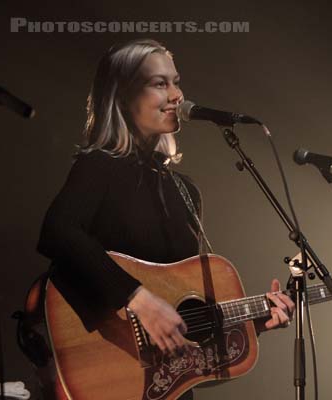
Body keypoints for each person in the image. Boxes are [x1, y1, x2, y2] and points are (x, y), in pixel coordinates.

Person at [36, 38, 295, 389]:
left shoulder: (185, 192)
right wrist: (138, 299)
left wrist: (253, 325)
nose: (177, 95)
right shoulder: (100, 166)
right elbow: (57, 230)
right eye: (160, 83)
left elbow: (187, 352)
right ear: (123, 96)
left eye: (176, 81)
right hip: (102, 374)